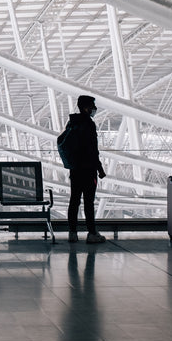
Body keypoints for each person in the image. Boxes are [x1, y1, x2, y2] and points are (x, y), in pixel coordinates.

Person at [62, 95, 107, 243]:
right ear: (86, 108)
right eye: (92, 106)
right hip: (88, 169)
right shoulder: (88, 124)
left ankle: (72, 232)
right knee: (89, 202)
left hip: (75, 169)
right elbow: (93, 150)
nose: (94, 109)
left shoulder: (72, 122)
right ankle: (92, 233)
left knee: (74, 200)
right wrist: (99, 168)